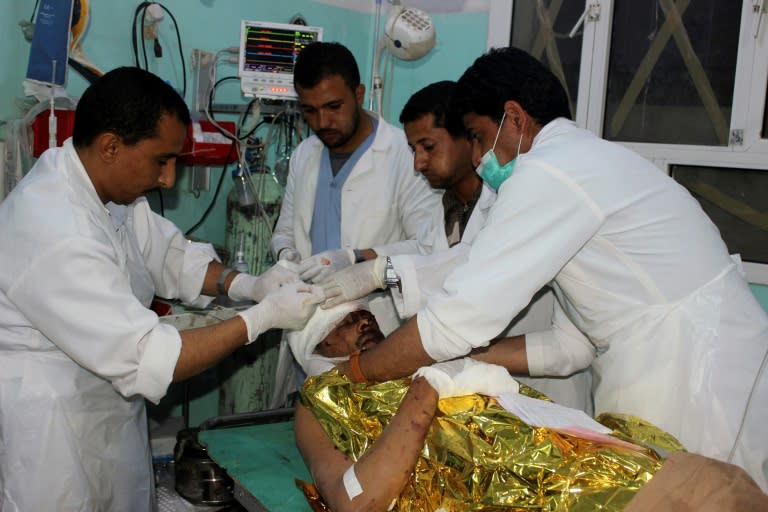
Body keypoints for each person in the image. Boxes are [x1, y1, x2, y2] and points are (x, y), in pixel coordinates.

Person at [335, 47, 768, 490]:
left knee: (701, 494)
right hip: (687, 357)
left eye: (480, 137)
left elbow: (456, 317)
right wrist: (467, 357)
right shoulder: (582, 165)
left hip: (695, 369)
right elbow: (570, 345)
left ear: (514, 118)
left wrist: (356, 372)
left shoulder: (550, 172)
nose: (480, 157)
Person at [0, 67, 324, 511]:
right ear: (111, 146)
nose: (169, 179)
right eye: (161, 160)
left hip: (108, 414)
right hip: (54, 434)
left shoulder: (105, 192)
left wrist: (246, 284)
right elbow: (152, 355)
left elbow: (171, 255)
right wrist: (261, 318)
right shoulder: (54, 227)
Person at [288, 305, 766, 512]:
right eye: (343, 324)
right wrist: (424, 393)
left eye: (362, 312)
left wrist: (448, 365)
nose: (361, 321)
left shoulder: (429, 355)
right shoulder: (320, 401)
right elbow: (354, 499)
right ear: (315, 350)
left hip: (665, 475)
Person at [320, 80, 592, 412]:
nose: (418, 163)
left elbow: (468, 264)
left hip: (539, 390)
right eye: (413, 150)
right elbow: (425, 256)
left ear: (469, 139)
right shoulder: (445, 211)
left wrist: (382, 273)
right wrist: (355, 258)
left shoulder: (515, 203)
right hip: (467, 393)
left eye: (428, 147)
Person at [270, 41, 440, 335]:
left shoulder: (405, 153)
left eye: (333, 107)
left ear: (358, 95)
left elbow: (426, 248)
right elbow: (285, 231)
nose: (322, 122)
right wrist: (288, 256)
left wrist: (355, 257)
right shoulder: (304, 154)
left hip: (376, 323)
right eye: (309, 110)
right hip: (309, 325)